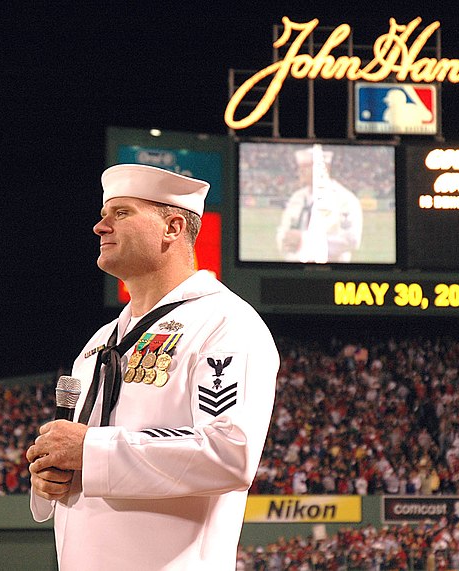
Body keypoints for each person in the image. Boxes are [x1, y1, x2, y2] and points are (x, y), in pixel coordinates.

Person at [26, 164, 279, 570]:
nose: (100, 226)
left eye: (121, 213)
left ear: (173, 227)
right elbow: (85, 462)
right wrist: (53, 477)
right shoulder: (98, 344)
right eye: (105, 213)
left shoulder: (225, 322)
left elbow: (229, 450)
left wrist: (90, 450)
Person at [275, 144, 363, 263]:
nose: (300, 172)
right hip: (294, 271)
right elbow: (284, 230)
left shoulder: (344, 199)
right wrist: (284, 241)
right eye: (300, 167)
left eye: (306, 167)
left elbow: (351, 240)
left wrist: (304, 240)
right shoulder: (297, 198)